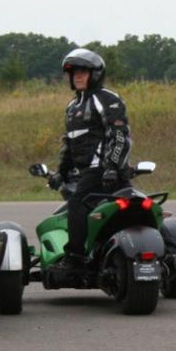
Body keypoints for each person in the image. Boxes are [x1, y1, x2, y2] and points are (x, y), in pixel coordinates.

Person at [50, 48, 132, 270]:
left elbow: (119, 136)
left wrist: (112, 167)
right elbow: (70, 145)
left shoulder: (106, 99)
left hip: (104, 170)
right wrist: (61, 172)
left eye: (83, 71)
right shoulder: (72, 107)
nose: (77, 76)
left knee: (77, 203)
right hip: (88, 173)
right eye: (74, 72)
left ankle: (74, 258)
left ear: (95, 74)